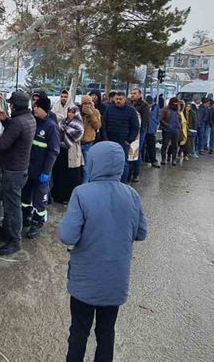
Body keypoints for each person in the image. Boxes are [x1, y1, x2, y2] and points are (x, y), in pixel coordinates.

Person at [59, 141, 148, 362]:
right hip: (115, 281)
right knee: (106, 333)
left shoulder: (81, 193)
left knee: (79, 331)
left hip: (84, 281)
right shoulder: (132, 195)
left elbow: (67, 236)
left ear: (93, 163)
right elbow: (141, 233)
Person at [0, 91, 36, 255]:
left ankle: (15, 241)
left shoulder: (18, 122)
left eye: (10, 104)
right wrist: (3, 117)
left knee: (13, 207)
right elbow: (15, 132)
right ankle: (6, 231)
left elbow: (3, 143)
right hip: (20, 169)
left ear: (15, 106)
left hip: (12, 171)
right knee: (9, 203)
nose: (9, 106)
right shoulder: (29, 118)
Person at [22, 97, 61, 238]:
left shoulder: (51, 127)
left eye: (37, 107)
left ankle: (37, 222)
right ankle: (25, 216)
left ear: (44, 108)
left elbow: (54, 151)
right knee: (25, 195)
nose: (34, 108)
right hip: (29, 168)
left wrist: (46, 171)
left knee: (40, 198)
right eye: (34, 106)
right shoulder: (33, 122)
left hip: (41, 171)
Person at [100, 92, 139, 183]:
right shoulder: (109, 109)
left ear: (124, 99)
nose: (118, 101)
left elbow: (135, 127)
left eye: (120, 99)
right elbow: (104, 124)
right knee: (109, 162)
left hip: (123, 142)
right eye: (116, 99)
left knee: (123, 163)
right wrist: (105, 138)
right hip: (110, 140)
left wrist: (129, 140)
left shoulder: (131, 111)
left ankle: (123, 182)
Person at [54, 104, 85, 202]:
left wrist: (66, 129)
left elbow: (78, 135)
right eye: (69, 112)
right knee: (60, 174)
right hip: (61, 151)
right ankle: (59, 196)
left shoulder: (78, 124)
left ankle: (69, 197)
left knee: (71, 175)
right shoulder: (63, 122)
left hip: (72, 151)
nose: (70, 114)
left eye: (72, 112)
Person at [128, 88, 149, 182]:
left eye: (135, 93)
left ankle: (136, 173)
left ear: (140, 94)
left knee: (137, 151)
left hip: (140, 132)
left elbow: (145, 120)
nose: (132, 95)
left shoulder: (144, 105)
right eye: (131, 93)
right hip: (130, 130)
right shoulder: (129, 103)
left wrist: (142, 130)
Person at [79, 95, 101, 182]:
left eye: (89, 103)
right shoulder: (78, 111)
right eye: (85, 103)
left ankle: (85, 184)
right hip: (78, 143)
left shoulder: (95, 112)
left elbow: (98, 126)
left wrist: (91, 115)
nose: (87, 105)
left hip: (88, 143)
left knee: (86, 167)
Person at [160, 97, 181, 166]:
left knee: (175, 145)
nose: (176, 104)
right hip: (167, 130)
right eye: (175, 102)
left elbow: (179, 119)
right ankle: (163, 159)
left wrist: (179, 127)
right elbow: (160, 119)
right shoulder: (165, 109)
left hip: (176, 130)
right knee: (165, 145)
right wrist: (167, 125)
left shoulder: (178, 109)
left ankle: (173, 160)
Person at [144, 95, 161, 168]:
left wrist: (156, 122)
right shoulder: (144, 106)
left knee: (151, 145)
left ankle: (153, 160)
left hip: (151, 129)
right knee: (143, 146)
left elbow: (158, 116)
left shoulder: (156, 107)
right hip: (144, 129)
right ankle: (145, 158)